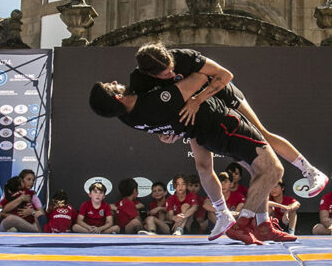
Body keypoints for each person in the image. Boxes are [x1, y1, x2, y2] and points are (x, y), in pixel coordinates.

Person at [89, 73, 293, 245]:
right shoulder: (141, 101)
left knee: (252, 170)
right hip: (204, 121)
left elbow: (161, 117)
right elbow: (200, 80)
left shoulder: (131, 110)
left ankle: (259, 222)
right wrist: (174, 124)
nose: (115, 82)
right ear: (116, 98)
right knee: (225, 167)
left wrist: (174, 123)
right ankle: (235, 218)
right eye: (111, 86)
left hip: (195, 119)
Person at [132, 43, 327, 195]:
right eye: (166, 74)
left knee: (262, 135)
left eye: (172, 68)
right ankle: (248, 219)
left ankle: (311, 171)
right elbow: (151, 112)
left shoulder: (184, 57)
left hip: (220, 95)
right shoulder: (139, 81)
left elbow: (225, 75)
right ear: (149, 74)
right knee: (211, 164)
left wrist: (197, 99)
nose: (172, 73)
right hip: (197, 113)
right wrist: (163, 132)